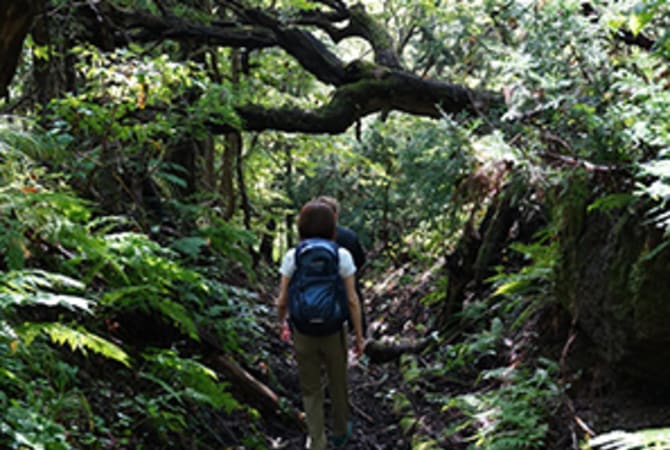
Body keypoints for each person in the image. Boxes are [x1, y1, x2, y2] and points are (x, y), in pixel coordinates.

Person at [276, 201, 365, 450]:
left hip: (302, 330)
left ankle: (316, 441)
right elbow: (352, 299)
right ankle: (339, 433)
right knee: (339, 383)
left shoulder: (293, 256)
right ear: (332, 226)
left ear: (301, 225)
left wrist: (282, 322)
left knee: (310, 388)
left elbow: (282, 298)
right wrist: (359, 336)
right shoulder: (341, 255)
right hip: (334, 330)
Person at [316, 195, 368, 337]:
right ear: (336, 215)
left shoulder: (307, 242)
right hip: (347, 294)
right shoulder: (349, 236)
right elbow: (360, 262)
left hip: (317, 300)